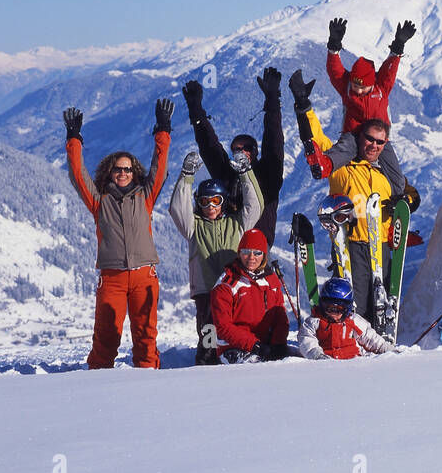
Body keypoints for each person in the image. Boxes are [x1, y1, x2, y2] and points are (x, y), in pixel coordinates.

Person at [63, 99, 172, 369]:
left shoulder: (145, 197)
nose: (122, 173)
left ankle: (148, 380)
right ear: (110, 173)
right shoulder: (99, 201)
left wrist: (163, 129)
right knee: (106, 337)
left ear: (134, 172)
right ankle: (99, 383)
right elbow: (77, 174)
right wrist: (74, 138)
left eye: (127, 169)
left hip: (144, 275)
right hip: (112, 277)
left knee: (146, 334)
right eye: (117, 169)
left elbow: (159, 166)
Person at [169, 150, 262, 365]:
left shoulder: (237, 224)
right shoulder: (193, 226)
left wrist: (246, 173)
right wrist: (186, 175)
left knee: (236, 329)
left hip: (235, 291)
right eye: (204, 202)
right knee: (209, 332)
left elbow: (254, 206)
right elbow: (177, 208)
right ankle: (207, 361)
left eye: (215, 201)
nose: (210, 207)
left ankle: (238, 356)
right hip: (207, 291)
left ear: (224, 202)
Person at [180, 68, 284, 247]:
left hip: (258, 247)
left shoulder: (268, 175)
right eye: (235, 148)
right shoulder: (227, 176)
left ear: (255, 153)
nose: (240, 151)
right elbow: (209, 147)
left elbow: (274, 143)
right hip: (229, 245)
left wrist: (273, 102)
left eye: (246, 148)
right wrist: (196, 112)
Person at [326, 119, 413, 329]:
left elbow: (407, 192)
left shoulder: (384, 174)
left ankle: (380, 341)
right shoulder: (344, 171)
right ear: (359, 139)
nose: (374, 145)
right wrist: (304, 109)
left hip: (380, 246)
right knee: (358, 302)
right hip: (352, 245)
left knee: (380, 301)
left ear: (386, 145)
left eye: (380, 142)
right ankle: (355, 341)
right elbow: (322, 148)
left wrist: (406, 202)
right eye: (370, 139)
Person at [209, 229, 291, 362]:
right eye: (246, 252)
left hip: (265, 344)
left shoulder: (271, 280)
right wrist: (254, 345)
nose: (251, 257)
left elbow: (280, 319)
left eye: (257, 253)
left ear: (264, 255)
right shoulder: (227, 284)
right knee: (259, 369)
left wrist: (279, 343)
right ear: (240, 253)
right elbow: (223, 327)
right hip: (234, 346)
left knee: (295, 361)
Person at [325, 16, 415, 133]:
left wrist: (399, 45)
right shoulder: (346, 87)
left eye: (363, 87)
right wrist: (333, 46)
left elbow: (389, 71)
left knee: (387, 151)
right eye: (355, 86)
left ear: (372, 83)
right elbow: (334, 71)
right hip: (352, 136)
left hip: (379, 137)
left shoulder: (381, 87)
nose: (358, 91)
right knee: (341, 151)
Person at [298, 277, 395, 359]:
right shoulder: (315, 322)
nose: (333, 314)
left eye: (338, 309)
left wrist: (385, 348)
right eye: (329, 308)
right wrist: (316, 354)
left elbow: (370, 338)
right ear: (322, 305)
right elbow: (306, 339)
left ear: (347, 309)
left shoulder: (352, 321)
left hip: (354, 360)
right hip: (327, 362)